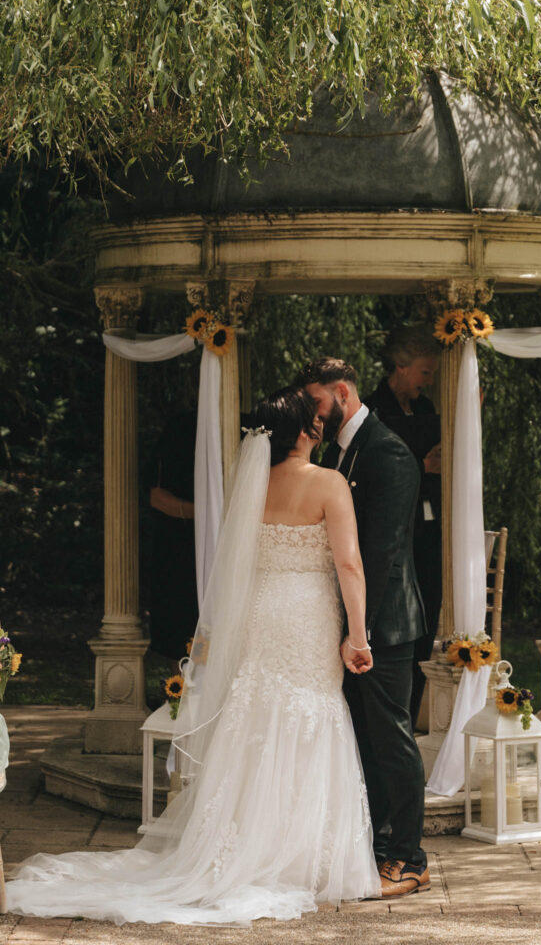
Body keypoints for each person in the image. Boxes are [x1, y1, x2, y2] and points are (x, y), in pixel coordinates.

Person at [7, 388, 380, 925]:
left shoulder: (252, 482)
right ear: (306, 431)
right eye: (315, 421)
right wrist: (358, 636)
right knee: (309, 709)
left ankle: (243, 843)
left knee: (258, 710)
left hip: (260, 608)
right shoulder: (328, 483)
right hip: (306, 613)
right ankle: (299, 855)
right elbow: (349, 565)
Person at [298, 358, 430, 899]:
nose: (313, 413)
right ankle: (376, 847)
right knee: (367, 743)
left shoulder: (390, 452)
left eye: (318, 403)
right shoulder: (340, 451)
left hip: (386, 629)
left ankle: (410, 858)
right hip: (354, 626)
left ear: (343, 393)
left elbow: (382, 555)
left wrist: (361, 635)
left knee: (393, 741)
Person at [363, 326, 442, 729]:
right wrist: (420, 466)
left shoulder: (426, 410)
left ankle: (413, 712)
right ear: (401, 367)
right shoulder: (372, 411)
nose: (429, 381)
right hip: (394, 533)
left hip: (428, 531)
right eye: (425, 372)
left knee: (428, 610)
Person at [143, 411, 198, 662]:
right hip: (177, 546)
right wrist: (204, 513)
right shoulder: (178, 432)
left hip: (214, 548)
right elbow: (157, 497)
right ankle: (179, 693)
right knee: (177, 623)